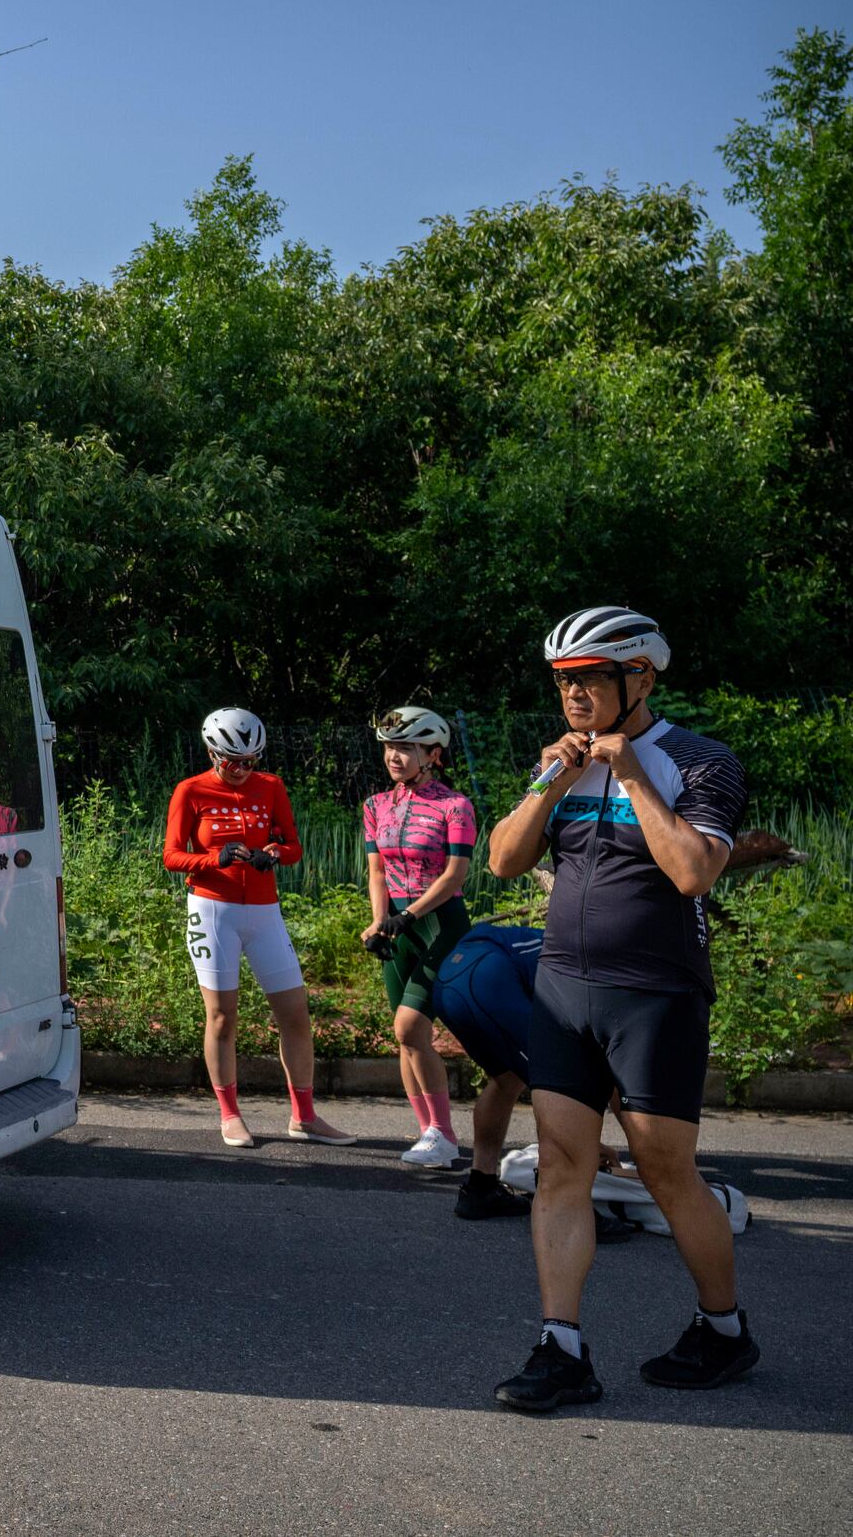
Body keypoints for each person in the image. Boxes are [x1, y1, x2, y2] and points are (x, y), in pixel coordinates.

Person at [483, 605, 755, 1412]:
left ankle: (725, 1328)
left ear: (640, 676)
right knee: (562, 1165)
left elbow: (694, 872)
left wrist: (630, 771)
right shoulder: (559, 764)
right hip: (565, 989)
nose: (572, 694)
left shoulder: (700, 761)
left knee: (667, 1171)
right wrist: (551, 781)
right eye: (563, 680)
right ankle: (560, 1347)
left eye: (589, 678)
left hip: (658, 995)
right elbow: (502, 859)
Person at [163, 708, 354, 1149]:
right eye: (234, 761)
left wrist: (275, 853)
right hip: (213, 911)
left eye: (252, 760)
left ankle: (304, 1117)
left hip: (265, 911)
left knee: (295, 1014)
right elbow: (172, 856)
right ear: (213, 753)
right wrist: (215, 859)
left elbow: (294, 846)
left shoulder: (271, 787)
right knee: (222, 1016)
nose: (244, 769)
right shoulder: (190, 791)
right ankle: (229, 1114)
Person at [432, 924, 643, 1240]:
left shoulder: (580, 943)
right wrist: (642, 1156)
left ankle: (480, 1189)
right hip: (487, 976)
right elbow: (610, 1075)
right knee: (565, 1087)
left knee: (508, 1080)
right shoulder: (602, 969)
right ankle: (572, 1208)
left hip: (449, 981)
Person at [358, 706, 477, 1168]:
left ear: (433, 754)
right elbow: (376, 870)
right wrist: (379, 920)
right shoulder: (374, 806)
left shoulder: (455, 806)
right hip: (397, 927)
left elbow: (453, 876)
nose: (394, 756)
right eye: (390, 747)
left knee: (410, 1027)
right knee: (406, 1038)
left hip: (439, 923)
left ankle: (443, 1136)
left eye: (405, 748)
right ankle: (429, 1131)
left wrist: (408, 914)